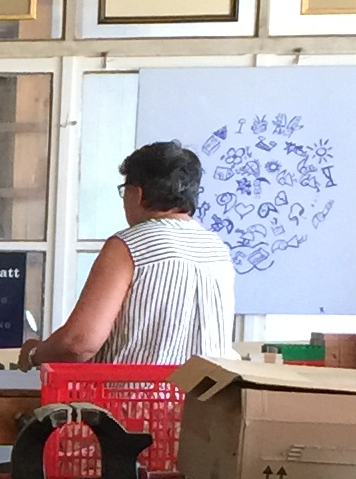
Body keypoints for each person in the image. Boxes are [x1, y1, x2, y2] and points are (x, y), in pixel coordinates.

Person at [32, 139, 235, 365]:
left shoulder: (129, 246)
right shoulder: (217, 248)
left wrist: (34, 355)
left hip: (136, 388)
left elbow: (80, 343)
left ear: (136, 193)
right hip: (207, 388)